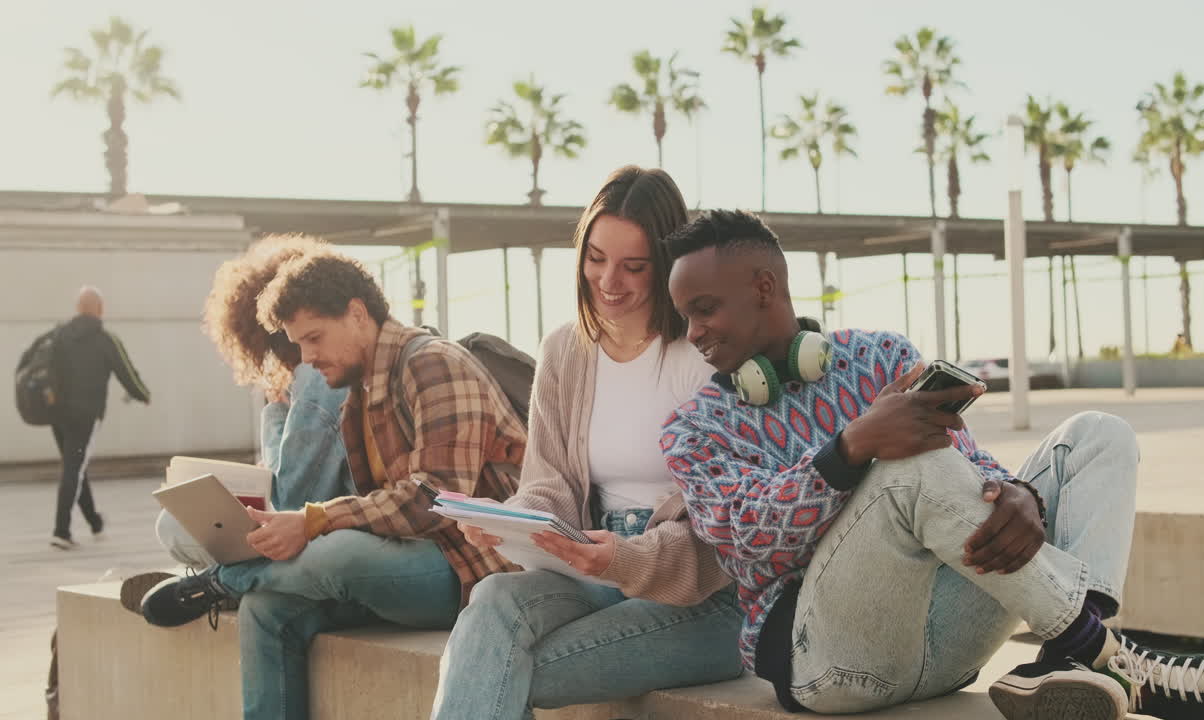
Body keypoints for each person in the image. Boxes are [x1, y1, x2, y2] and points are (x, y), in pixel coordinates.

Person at [660, 210, 1204, 720]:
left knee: (1098, 435)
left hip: (951, 641)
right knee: (907, 468)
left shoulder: (880, 357)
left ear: (764, 287)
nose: (693, 331)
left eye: (705, 308)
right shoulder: (694, 428)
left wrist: (1018, 495)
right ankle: (1110, 656)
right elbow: (748, 541)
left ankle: (1069, 658)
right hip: (829, 662)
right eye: (686, 315)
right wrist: (852, 446)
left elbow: (967, 463)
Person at [139, 247, 527, 720]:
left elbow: (434, 500)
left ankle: (225, 580)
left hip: (473, 571)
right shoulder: (361, 392)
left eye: (314, 338)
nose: (307, 357)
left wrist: (315, 520)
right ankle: (243, 586)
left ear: (358, 314)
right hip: (410, 564)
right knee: (267, 609)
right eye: (298, 344)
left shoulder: (433, 363)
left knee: (338, 553)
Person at [430, 167, 743, 720]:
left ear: (667, 267)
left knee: (492, 667)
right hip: (593, 568)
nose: (608, 280)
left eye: (633, 266)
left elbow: (723, 535)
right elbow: (548, 483)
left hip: (704, 601)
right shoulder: (565, 352)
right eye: (595, 258)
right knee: (492, 601)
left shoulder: (704, 359)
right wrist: (511, 521)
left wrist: (624, 556)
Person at [118, 235, 356, 611]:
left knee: (175, 525)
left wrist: (276, 414)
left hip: (326, 532)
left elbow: (290, 497)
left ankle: (222, 585)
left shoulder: (314, 379)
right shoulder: (337, 365)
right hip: (330, 528)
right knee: (181, 521)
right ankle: (226, 584)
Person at [23, 286, 151, 549]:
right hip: (86, 416)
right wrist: (142, 394)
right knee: (74, 467)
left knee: (75, 465)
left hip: (57, 414)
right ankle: (61, 531)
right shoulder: (105, 339)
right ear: (100, 310)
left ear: (78, 309)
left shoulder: (59, 335)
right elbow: (126, 372)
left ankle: (94, 522)